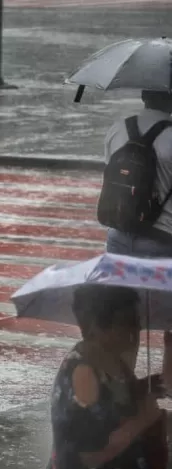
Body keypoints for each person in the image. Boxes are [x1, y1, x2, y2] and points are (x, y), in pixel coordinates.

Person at [49, 285, 170, 469]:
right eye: (127, 321)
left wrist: (141, 387)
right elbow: (90, 456)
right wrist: (143, 419)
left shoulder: (111, 360)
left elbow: (113, 402)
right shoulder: (83, 374)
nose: (137, 327)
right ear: (98, 326)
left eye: (136, 320)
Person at [105, 91, 172, 258]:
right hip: (163, 240)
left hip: (118, 234)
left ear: (143, 97)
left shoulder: (117, 129)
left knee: (118, 285)